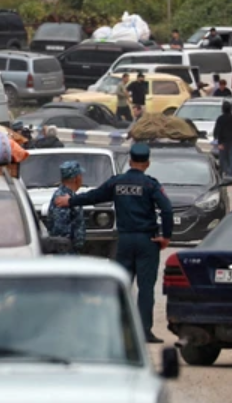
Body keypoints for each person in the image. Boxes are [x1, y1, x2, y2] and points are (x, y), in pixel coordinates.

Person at [52, 143, 172, 343]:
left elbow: (94, 196)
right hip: (147, 241)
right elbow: (167, 210)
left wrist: (70, 201)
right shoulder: (151, 185)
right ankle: (144, 331)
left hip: (124, 241)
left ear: (130, 161)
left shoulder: (117, 183)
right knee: (145, 288)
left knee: (121, 286)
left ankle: (118, 329)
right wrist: (166, 236)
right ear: (147, 163)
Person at [47, 161, 85, 254]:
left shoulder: (68, 196)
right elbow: (60, 229)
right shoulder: (63, 198)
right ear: (77, 178)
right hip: (66, 252)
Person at [213, 100, 232, 178]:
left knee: (223, 157)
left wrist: (218, 142)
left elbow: (218, 130)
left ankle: (224, 170)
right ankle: (230, 172)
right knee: (231, 156)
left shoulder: (220, 119)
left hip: (223, 141)